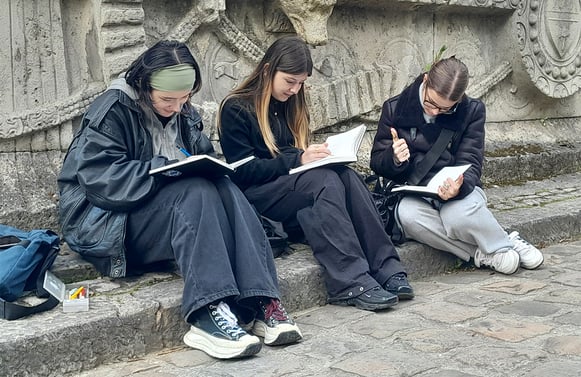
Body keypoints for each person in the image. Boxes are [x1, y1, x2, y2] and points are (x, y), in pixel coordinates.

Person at [57, 40, 302, 360]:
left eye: (185, 98)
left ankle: (261, 300)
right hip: (106, 222)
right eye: (167, 100)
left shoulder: (184, 112)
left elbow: (203, 157)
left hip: (164, 215)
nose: (177, 107)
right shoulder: (112, 110)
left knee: (224, 185)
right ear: (145, 87)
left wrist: (202, 166)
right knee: (194, 190)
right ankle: (206, 313)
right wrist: (164, 170)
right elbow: (99, 179)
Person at [218, 36, 414, 312]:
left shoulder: (289, 103)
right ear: (267, 71)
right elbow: (243, 170)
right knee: (321, 181)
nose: (295, 90)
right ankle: (350, 281)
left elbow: (291, 154)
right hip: (258, 196)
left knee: (344, 175)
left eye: (301, 83)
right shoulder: (236, 107)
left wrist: (316, 155)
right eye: (290, 81)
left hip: (291, 187)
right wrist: (298, 158)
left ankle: (386, 266)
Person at [370, 56, 544, 275]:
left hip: (455, 190)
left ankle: (501, 244)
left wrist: (457, 187)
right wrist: (394, 158)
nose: (434, 112)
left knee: (457, 216)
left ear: (458, 99)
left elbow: (471, 162)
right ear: (426, 81)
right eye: (430, 103)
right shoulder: (395, 108)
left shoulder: (471, 111)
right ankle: (485, 251)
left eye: (444, 109)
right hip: (415, 193)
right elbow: (377, 163)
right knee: (407, 216)